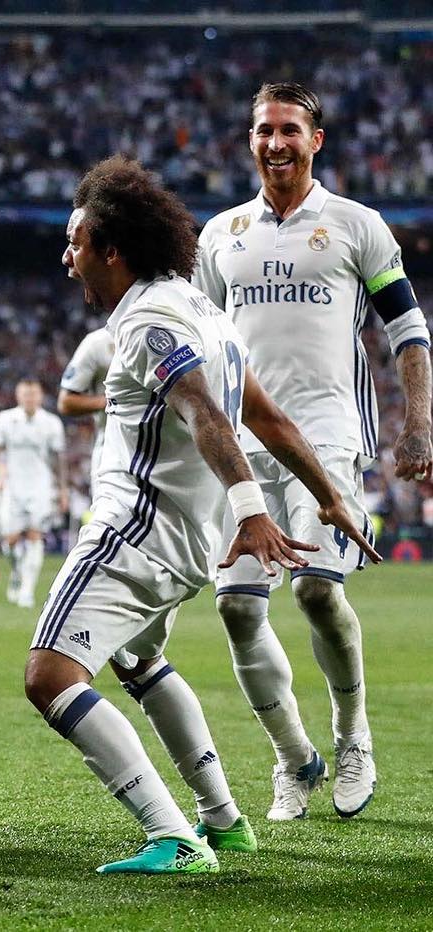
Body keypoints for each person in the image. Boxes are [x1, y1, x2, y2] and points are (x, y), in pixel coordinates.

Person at [25, 155, 379, 875]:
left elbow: (205, 411)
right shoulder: (202, 309)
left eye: (75, 242)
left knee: (49, 676)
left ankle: (173, 837)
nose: (67, 257)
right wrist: (329, 496)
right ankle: (222, 820)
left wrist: (253, 511)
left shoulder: (146, 323)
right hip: (188, 543)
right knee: (139, 660)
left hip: (134, 533)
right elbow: (267, 417)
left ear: (111, 250)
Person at [193, 83, 432, 821]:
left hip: (328, 438)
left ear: (315, 140)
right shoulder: (220, 234)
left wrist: (419, 422)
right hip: (242, 446)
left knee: (316, 591)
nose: (276, 143)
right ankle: (294, 758)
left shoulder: (357, 225)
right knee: (237, 608)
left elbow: (408, 330)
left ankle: (354, 737)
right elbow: (198, 343)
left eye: (289, 130)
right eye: (263, 130)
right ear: (250, 140)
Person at [0, 380, 67, 608]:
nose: (29, 398)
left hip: (40, 486)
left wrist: (63, 489)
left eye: (33, 394)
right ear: (18, 396)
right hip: (13, 486)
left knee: (35, 535)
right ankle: (16, 571)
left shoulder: (51, 423)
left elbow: (59, 459)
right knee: (10, 540)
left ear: (40, 397)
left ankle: (27, 590)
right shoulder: (5, 419)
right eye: (25, 394)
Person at [58, 326, 114, 520]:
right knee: (108, 522)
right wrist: (115, 401)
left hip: (171, 450)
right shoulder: (99, 342)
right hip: (112, 450)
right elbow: (66, 401)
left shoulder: (175, 328)